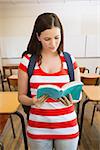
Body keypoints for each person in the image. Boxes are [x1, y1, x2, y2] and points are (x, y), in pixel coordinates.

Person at [18, 12, 81, 150]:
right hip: (37, 128)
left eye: (57, 38)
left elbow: (78, 93)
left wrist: (73, 100)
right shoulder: (28, 61)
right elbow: (21, 97)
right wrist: (32, 101)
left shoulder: (70, 60)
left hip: (67, 127)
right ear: (38, 37)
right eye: (47, 39)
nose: (53, 44)